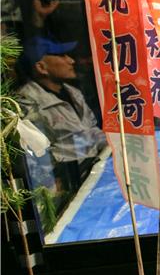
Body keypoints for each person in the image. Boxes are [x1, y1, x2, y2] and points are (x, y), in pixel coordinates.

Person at [16, 37, 107, 188]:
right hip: (70, 182)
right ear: (41, 67)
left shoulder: (73, 92)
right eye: (61, 55)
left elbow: (91, 130)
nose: (70, 60)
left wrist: (113, 147)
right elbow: (35, 157)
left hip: (95, 169)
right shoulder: (27, 102)